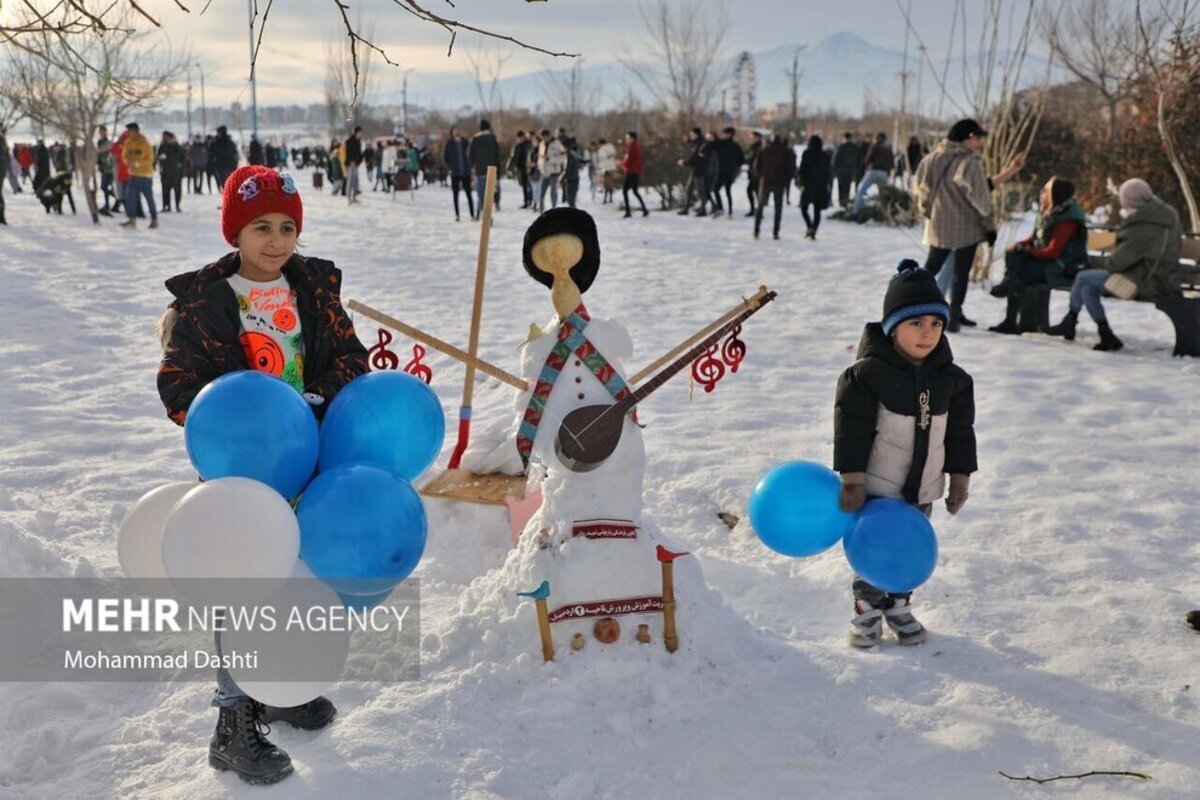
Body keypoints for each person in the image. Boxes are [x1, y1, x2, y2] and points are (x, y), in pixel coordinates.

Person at [157, 165, 369, 784]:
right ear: (235, 232)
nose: (275, 241)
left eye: (286, 227)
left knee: (296, 573)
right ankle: (233, 719)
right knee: (242, 587)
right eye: (260, 227)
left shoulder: (313, 291)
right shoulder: (206, 304)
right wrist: (239, 415)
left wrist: (312, 403)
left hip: (307, 463)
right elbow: (177, 387)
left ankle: (277, 683)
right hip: (240, 475)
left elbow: (351, 361)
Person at [835, 260, 976, 648]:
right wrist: (852, 479)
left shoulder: (953, 380)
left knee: (906, 550)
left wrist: (960, 478)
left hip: (922, 487)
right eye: (916, 323)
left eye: (936, 323)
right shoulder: (867, 376)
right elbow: (851, 428)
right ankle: (866, 609)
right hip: (879, 487)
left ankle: (898, 605)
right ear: (892, 326)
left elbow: (961, 434)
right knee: (875, 548)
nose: (927, 333)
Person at [1043, 178, 1182, 352]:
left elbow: (1118, 263)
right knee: (1087, 289)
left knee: (1082, 277)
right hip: (1157, 276)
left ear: (1130, 199)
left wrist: (1097, 264)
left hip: (1144, 282)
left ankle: (1070, 320)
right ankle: (1106, 334)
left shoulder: (1143, 224)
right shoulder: (1164, 214)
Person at [913, 118, 1023, 331]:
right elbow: (981, 197)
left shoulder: (932, 159)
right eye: (979, 138)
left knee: (930, 268)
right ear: (969, 138)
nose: (981, 143)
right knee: (960, 273)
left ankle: (911, 305)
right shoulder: (969, 162)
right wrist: (989, 226)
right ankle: (953, 317)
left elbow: (920, 189)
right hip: (966, 226)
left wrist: (927, 211)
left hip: (938, 225)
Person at [987, 178, 1089, 334]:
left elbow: (1053, 251)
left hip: (1062, 266)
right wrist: (1020, 245)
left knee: (1020, 275)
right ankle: (1009, 306)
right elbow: (1036, 238)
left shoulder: (1067, 220)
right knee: (1014, 256)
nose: (1041, 194)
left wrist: (1027, 250)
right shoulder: (1051, 212)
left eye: (1045, 191)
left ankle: (1010, 307)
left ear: (1055, 195)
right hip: (1048, 262)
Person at [752, 134, 794, 240]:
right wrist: (786, 180)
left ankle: (756, 230)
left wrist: (760, 176)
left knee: (760, 206)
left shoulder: (764, 150)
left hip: (765, 181)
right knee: (778, 208)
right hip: (779, 183)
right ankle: (775, 232)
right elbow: (790, 167)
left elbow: (756, 166)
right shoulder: (786, 151)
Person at [119, 123, 158, 230]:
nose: (129, 133)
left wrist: (137, 163)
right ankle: (132, 220)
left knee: (149, 198)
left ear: (136, 131)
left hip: (145, 176)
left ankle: (154, 219)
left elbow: (150, 159)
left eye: (130, 131)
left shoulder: (145, 143)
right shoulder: (128, 143)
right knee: (130, 198)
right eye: (128, 132)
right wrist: (128, 162)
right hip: (133, 175)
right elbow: (124, 156)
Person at [850, 132, 894, 217]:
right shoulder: (888, 149)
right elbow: (892, 164)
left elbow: (867, 160)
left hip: (873, 171)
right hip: (884, 173)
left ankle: (855, 212)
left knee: (861, 192)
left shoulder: (874, 147)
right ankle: (886, 213)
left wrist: (866, 167)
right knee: (884, 194)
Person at [797, 135, 832, 240]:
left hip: (809, 185)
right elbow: (828, 171)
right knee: (817, 211)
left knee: (804, 208)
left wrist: (801, 181)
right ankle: (814, 231)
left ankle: (809, 226)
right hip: (821, 186)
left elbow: (802, 169)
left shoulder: (807, 154)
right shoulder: (825, 155)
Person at [468, 119, 502, 217]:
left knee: (481, 193)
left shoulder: (475, 139)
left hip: (479, 170)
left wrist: (472, 166)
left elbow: (470, 155)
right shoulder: (493, 139)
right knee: (489, 194)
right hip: (491, 170)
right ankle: (487, 215)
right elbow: (497, 156)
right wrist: (498, 171)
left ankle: (480, 212)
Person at [712, 126, 745, 218]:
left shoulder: (722, 144)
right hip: (730, 171)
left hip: (723, 171)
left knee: (717, 189)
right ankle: (728, 211)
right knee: (727, 191)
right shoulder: (735, 146)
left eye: (725, 133)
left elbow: (713, 145)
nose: (723, 135)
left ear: (730, 134)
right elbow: (741, 160)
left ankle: (721, 208)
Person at [442, 126, 474, 221]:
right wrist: (450, 167)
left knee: (469, 194)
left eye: (459, 130)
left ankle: (472, 214)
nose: (457, 132)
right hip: (455, 172)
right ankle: (457, 215)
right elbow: (445, 157)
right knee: (455, 194)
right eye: (455, 130)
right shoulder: (449, 143)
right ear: (452, 132)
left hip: (465, 172)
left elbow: (471, 155)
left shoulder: (465, 142)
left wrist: (470, 166)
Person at [678, 128, 710, 216]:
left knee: (700, 190)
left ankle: (703, 209)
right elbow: (691, 143)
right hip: (695, 169)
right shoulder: (697, 142)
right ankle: (686, 208)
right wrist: (687, 139)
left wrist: (684, 162)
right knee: (688, 189)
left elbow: (694, 156)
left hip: (700, 169)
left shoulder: (701, 144)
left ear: (697, 135)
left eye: (692, 135)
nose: (690, 136)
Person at [620, 131, 649, 218]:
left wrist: (622, 163)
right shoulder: (635, 147)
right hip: (635, 172)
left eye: (628, 138)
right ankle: (644, 209)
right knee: (635, 191)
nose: (626, 140)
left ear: (632, 139)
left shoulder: (632, 148)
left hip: (631, 172)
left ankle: (628, 211)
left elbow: (629, 161)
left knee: (625, 191)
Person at [158, 131, 185, 212]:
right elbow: (159, 156)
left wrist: (181, 169)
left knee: (177, 190)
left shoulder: (177, 146)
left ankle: (177, 205)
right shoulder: (162, 146)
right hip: (166, 171)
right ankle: (166, 206)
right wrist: (161, 159)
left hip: (176, 172)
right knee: (165, 190)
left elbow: (182, 158)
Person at [832, 132, 858, 209]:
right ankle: (846, 200)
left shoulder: (841, 147)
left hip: (841, 170)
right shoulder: (855, 148)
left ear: (844, 138)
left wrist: (835, 169)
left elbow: (836, 159)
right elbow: (859, 159)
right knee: (848, 186)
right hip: (851, 170)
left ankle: (841, 201)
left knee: (841, 186)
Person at [508, 130, 532, 208]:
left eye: (521, 138)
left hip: (527, 167)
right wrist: (511, 166)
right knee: (524, 185)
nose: (520, 139)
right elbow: (513, 157)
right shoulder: (517, 146)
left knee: (528, 185)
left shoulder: (527, 145)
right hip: (520, 168)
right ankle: (526, 201)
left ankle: (529, 200)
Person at [210, 126, 239, 190]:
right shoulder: (215, 142)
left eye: (219, 132)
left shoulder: (229, 143)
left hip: (228, 166)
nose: (218, 134)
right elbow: (211, 153)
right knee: (223, 182)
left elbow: (234, 154)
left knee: (228, 182)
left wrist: (234, 164)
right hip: (220, 165)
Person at [744, 130, 764, 217]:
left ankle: (756, 210)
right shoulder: (753, 147)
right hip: (753, 172)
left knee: (752, 191)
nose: (751, 139)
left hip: (756, 173)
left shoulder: (759, 148)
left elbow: (753, 159)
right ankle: (756, 210)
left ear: (758, 138)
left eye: (753, 137)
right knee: (755, 192)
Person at [594, 138, 618, 205]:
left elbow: (600, 159)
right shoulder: (611, 147)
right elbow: (613, 153)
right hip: (611, 168)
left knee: (606, 184)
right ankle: (610, 198)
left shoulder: (601, 150)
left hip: (605, 169)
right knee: (610, 184)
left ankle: (606, 199)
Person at [343, 126, 363, 203]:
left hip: (356, 164)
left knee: (355, 181)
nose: (361, 134)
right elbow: (349, 153)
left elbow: (359, 153)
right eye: (360, 133)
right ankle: (349, 197)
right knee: (350, 180)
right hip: (351, 164)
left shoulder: (358, 141)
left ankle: (354, 196)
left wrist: (359, 161)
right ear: (357, 133)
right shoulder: (350, 141)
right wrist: (351, 161)